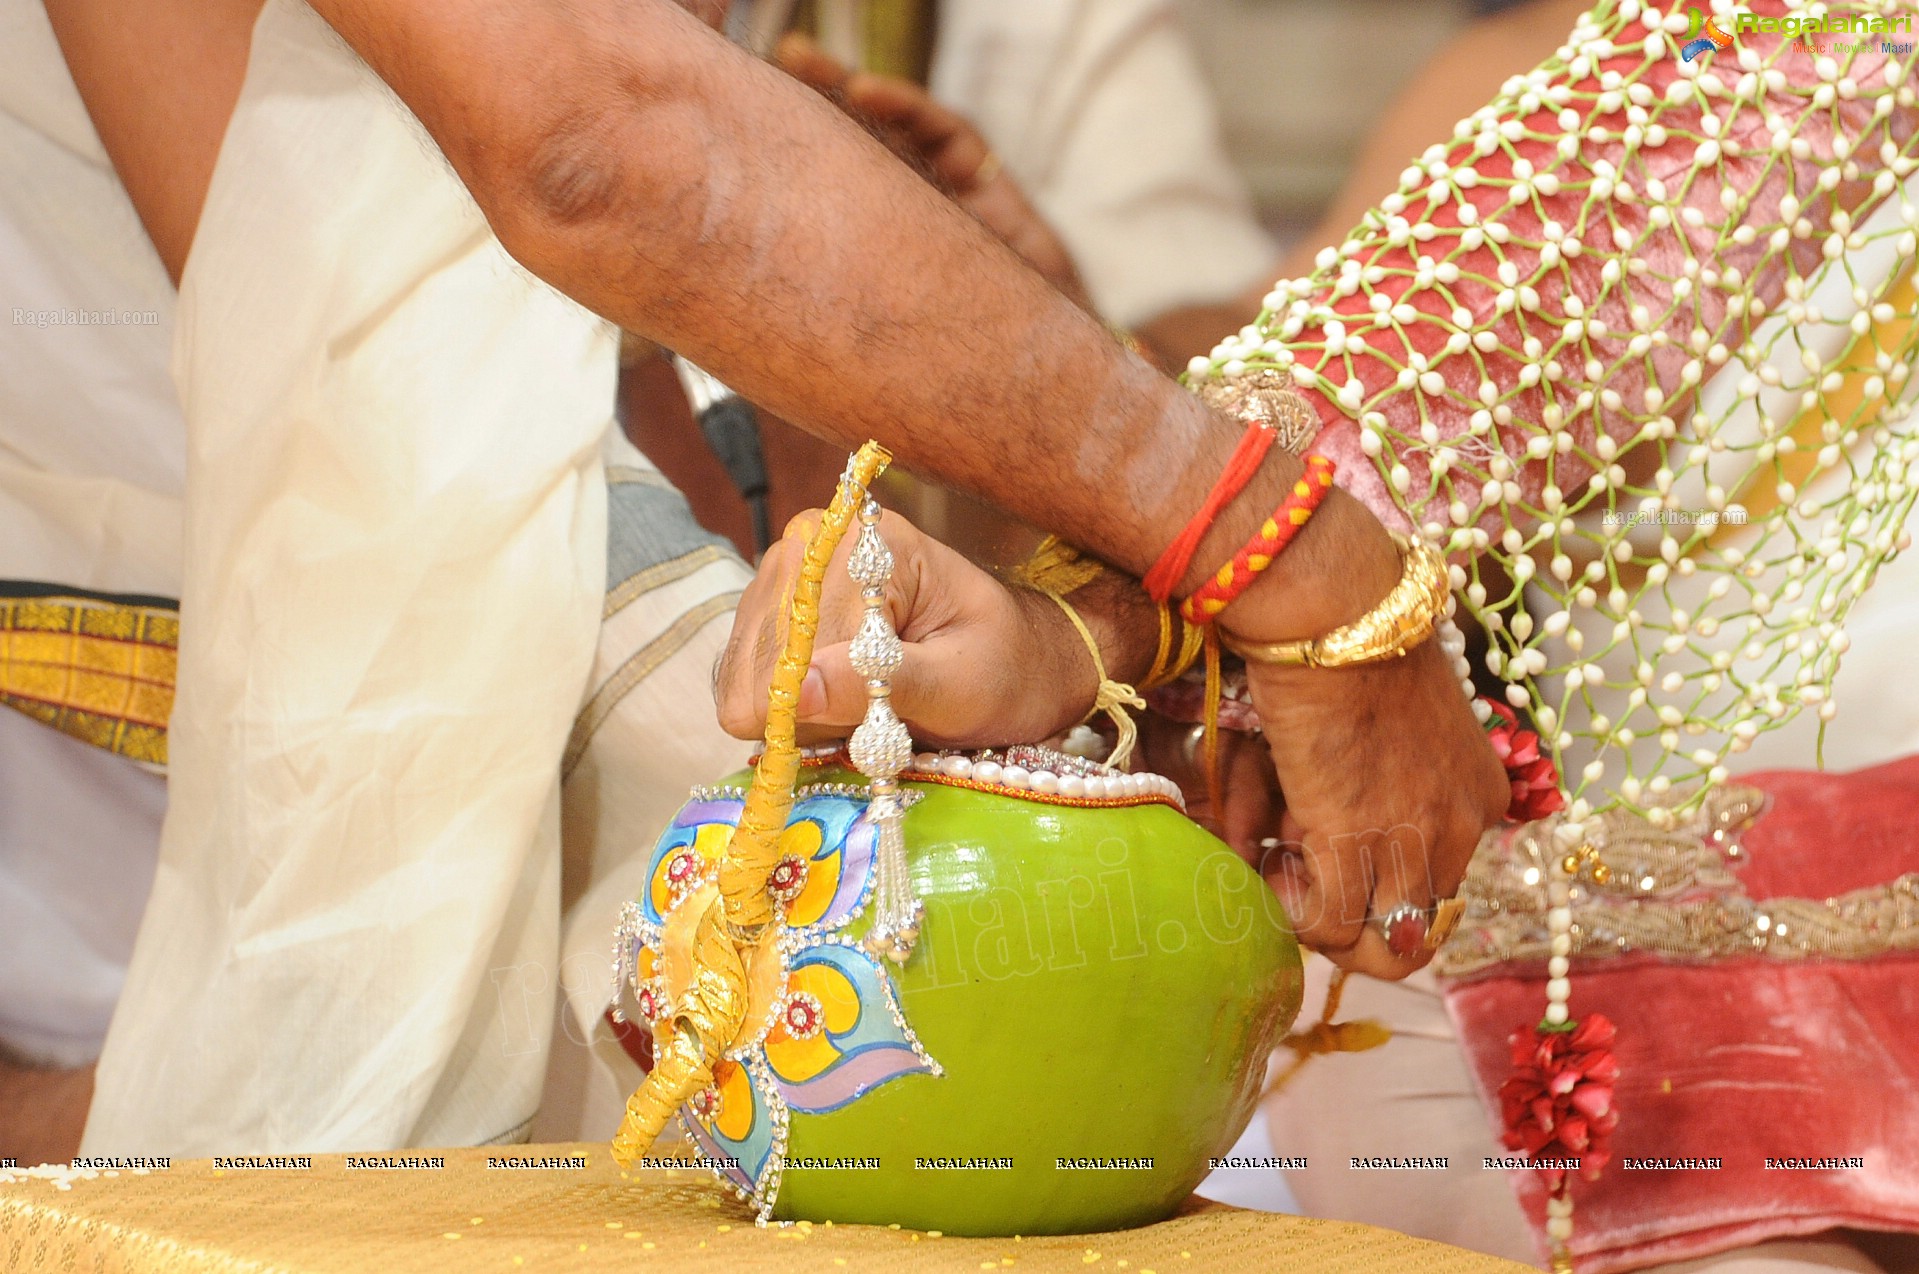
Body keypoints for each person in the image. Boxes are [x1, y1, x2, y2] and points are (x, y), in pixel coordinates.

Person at [3, 0, 1500, 1161]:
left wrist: (1120, 608)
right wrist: (1273, 555)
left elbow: (619, 349)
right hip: (140, 953)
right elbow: (590, 136)